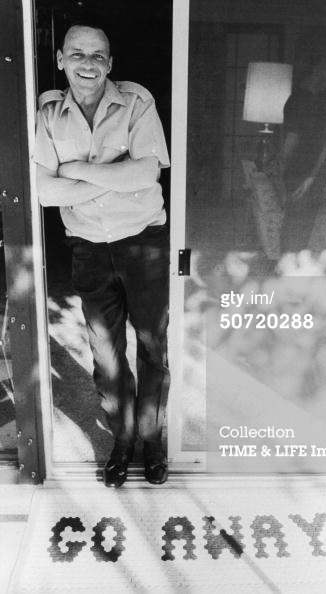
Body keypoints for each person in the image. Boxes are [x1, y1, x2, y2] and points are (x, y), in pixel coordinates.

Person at [35, 23, 170, 487]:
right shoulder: (49, 112)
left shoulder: (136, 101)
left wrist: (73, 170)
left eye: (97, 55)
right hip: (89, 247)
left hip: (142, 242)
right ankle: (123, 440)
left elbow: (147, 174)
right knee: (106, 355)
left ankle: (152, 441)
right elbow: (43, 191)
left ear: (110, 63)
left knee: (152, 346)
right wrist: (109, 175)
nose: (87, 64)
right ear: (60, 59)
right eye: (77, 54)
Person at [279, 56, 326, 253]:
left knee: (301, 226)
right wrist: (284, 171)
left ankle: (290, 269)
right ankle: (286, 270)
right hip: (298, 173)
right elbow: (291, 141)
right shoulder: (298, 100)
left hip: (312, 174)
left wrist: (312, 176)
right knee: (296, 225)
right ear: (316, 70)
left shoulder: (323, 101)